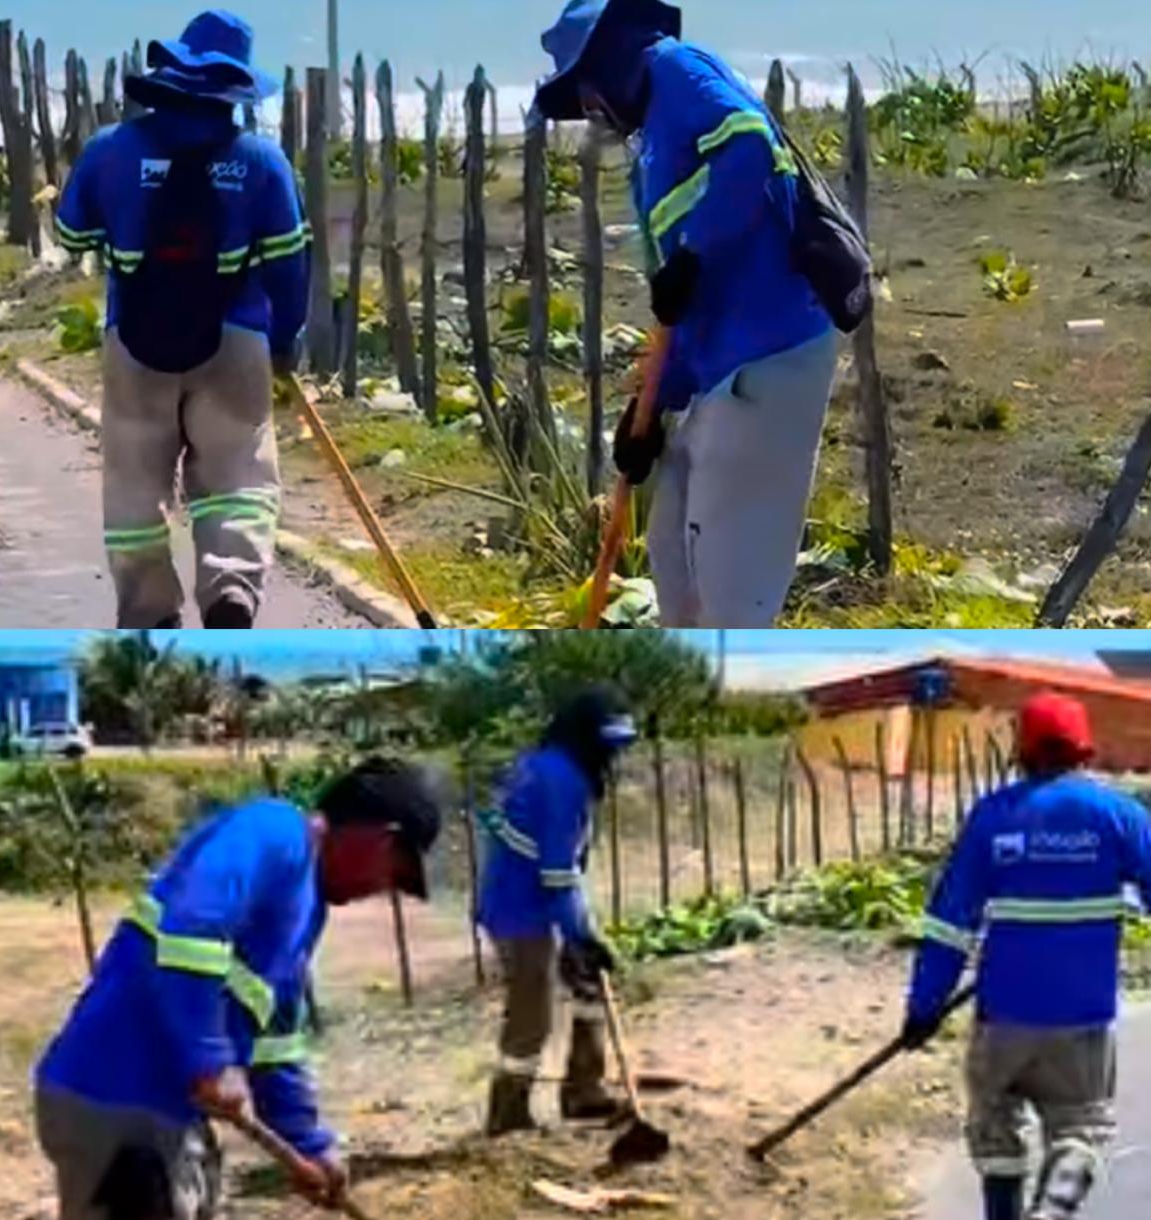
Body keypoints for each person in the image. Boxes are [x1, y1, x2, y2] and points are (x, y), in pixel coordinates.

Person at [533, 0, 838, 628]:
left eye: (587, 91)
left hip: (767, 359)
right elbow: (680, 307)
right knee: (670, 546)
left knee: (732, 580)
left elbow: (750, 148)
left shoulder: (676, 69)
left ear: (610, 56)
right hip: (713, 373)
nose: (591, 109)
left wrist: (695, 255)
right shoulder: (649, 162)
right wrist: (648, 410)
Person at [34, 757, 445, 1219]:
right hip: (117, 1097)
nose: (381, 889)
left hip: (166, 1116)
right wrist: (211, 1055)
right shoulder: (274, 832)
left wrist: (308, 1142)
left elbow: (277, 1044)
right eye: (394, 874)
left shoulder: (305, 915)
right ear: (379, 839)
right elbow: (192, 929)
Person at [55, 11, 311, 630]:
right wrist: (283, 342)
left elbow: (71, 231)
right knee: (238, 474)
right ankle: (230, 589)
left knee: (135, 483)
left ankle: (149, 612)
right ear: (237, 87)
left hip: (135, 345)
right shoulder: (261, 161)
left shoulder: (110, 151)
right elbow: (290, 267)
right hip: (236, 341)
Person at [902, 692, 1151, 1220]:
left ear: (1023, 750)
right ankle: (1052, 1212)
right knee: (1080, 1129)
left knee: (996, 1135)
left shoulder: (993, 817)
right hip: (1083, 1017)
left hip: (1004, 1014)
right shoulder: (1121, 817)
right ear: (1083, 749)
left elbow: (950, 924)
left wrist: (924, 1006)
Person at [477, 686, 638, 1135]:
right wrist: (582, 935)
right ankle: (507, 1114)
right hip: (520, 910)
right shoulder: (563, 781)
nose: (613, 757)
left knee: (589, 984)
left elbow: (561, 868)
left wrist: (581, 933)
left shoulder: (541, 765)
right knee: (533, 1012)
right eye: (608, 746)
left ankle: (584, 1092)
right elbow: (555, 874)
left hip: (529, 900)